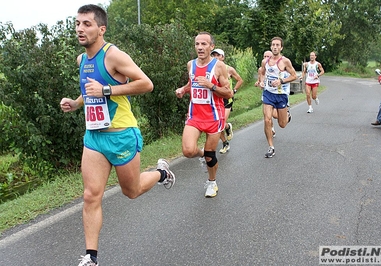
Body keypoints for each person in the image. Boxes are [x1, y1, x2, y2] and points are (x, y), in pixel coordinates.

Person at [59, 5, 175, 266]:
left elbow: (146, 84)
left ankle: (162, 173)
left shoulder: (113, 55)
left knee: (131, 191)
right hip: (94, 137)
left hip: (121, 134)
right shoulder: (82, 60)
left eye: (87, 24)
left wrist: (108, 91)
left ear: (101, 29)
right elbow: (90, 90)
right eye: (77, 23)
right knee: (90, 195)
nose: (80, 28)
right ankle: (91, 257)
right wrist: (76, 104)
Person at [175, 32, 233, 197]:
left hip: (214, 116)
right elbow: (191, 83)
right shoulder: (190, 65)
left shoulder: (219, 66)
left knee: (210, 154)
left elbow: (228, 93)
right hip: (195, 115)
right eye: (197, 44)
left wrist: (211, 86)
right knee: (188, 151)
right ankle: (201, 155)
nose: (200, 47)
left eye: (204, 44)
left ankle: (212, 182)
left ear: (211, 47)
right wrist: (183, 90)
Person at [259, 37, 297, 158]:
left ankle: (287, 115)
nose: (275, 47)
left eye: (277, 45)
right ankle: (271, 147)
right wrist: (261, 82)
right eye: (273, 45)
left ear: (281, 48)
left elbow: (294, 75)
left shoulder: (285, 61)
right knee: (267, 119)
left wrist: (281, 81)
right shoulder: (265, 61)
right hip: (268, 94)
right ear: (271, 47)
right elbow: (262, 72)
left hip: (281, 95)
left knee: (282, 124)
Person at [211, 48, 243, 154]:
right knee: (217, 124)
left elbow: (240, 80)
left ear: (222, 57)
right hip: (215, 100)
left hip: (227, 100)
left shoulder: (229, 69)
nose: (215, 57)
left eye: (218, 55)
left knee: (221, 122)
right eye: (213, 55)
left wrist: (234, 90)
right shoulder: (210, 69)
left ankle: (227, 127)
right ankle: (225, 142)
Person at [255, 50, 276, 137]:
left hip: (276, 94)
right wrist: (258, 83)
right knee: (266, 115)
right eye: (265, 56)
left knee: (275, 115)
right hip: (266, 94)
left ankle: (286, 113)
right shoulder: (261, 69)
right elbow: (259, 80)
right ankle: (271, 128)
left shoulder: (276, 67)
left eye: (268, 57)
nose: (266, 58)